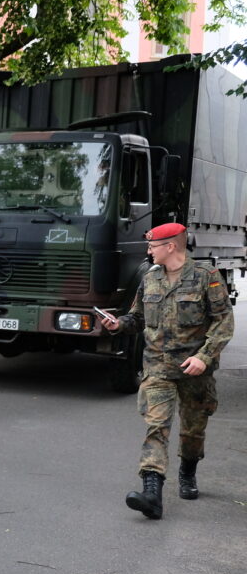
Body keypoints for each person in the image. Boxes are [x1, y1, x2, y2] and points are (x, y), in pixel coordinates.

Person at [100, 222, 234, 519]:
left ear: (170, 246)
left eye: (153, 245)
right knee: (156, 427)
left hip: (194, 370)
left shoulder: (206, 277)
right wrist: (117, 324)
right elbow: (137, 318)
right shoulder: (150, 278)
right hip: (157, 367)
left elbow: (224, 322)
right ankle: (152, 494)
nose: (148, 250)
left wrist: (204, 356)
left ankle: (188, 471)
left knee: (192, 430)